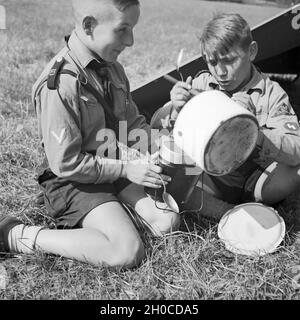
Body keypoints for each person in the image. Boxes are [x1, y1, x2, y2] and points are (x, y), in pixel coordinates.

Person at [0, 0, 180, 269]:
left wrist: (160, 141)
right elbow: (66, 163)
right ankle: (15, 234)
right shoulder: (60, 83)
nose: (130, 41)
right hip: (72, 180)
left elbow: (132, 124)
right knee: (126, 251)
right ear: (89, 26)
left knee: (166, 221)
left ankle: (112, 215)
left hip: (114, 164)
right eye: (123, 30)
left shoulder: (113, 67)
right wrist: (126, 169)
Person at [151, 13, 300, 219]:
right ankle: (226, 214)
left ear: (252, 51)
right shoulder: (202, 84)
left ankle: (237, 207)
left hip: (257, 180)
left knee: (296, 170)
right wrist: (176, 109)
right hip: (210, 178)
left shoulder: (271, 93)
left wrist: (253, 133)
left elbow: (296, 148)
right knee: (167, 165)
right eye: (212, 62)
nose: (220, 72)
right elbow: (164, 131)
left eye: (229, 61)